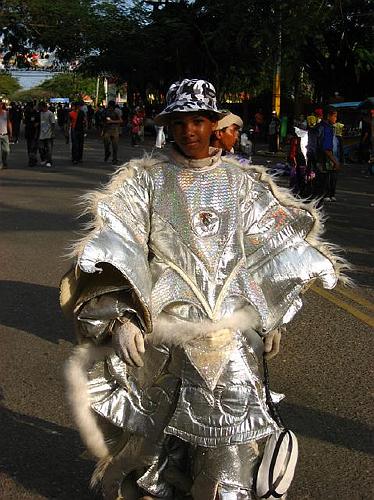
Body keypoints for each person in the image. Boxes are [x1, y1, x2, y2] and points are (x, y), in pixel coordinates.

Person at [61, 78, 347, 500]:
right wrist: (122, 318)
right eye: (180, 121)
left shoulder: (243, 184)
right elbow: (119, 248)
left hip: (227, 338)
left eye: (198, 120)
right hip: (164, 336)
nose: (188, 130)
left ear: (214, 124)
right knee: (158, 445)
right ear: (169, 124)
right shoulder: (145, 183)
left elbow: (266, 251)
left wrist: (271, 318)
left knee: (229, 447)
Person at [314, 107, 341, 202]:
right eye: (335, 116)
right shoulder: (327, 128)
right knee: (323, 183)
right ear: (329, 116)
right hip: (323, 160)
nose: (336, 119)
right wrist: (335, 162)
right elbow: (326, 148)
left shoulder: (318, 126)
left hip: (314, 160)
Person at [102, 100, 123, 165]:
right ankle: (107, 153)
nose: (110, 108)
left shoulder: (116, 112)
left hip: (115, 130)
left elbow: (121, 121)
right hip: (107, 130)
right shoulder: (105, 112)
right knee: (106, 144)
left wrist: (112, 121)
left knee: (115, 146)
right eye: (109, 106)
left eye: (111, 106)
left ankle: (114, 159)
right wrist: (102, 130)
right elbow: (103, 121)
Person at [38, 101, 56, 167]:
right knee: (41, 148)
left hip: (49, 134)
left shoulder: (50, 113)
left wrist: (53, 133)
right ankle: (44, 159)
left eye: (40, 107)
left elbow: (53, 123)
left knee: (49, 148)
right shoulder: (39, 113)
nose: (39, 108)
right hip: (41, 134)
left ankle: (49, 161)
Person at [23, 101, 40, 167]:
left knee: (33, 147)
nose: (28, 108)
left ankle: (32, 160)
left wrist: (35, 125)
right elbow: (24, 122)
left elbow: (38, 122)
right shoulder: (26, 113)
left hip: (34, 132)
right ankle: (32, 159)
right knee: (30, 147)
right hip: (28, 132)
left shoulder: (35, 113)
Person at [0, 100, 12, 170]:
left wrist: (10, 133)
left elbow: (9, 123)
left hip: (5, 134)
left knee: (6, 151)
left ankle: (4, 162)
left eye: (1, 104)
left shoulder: (6, 113)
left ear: (2, 105)